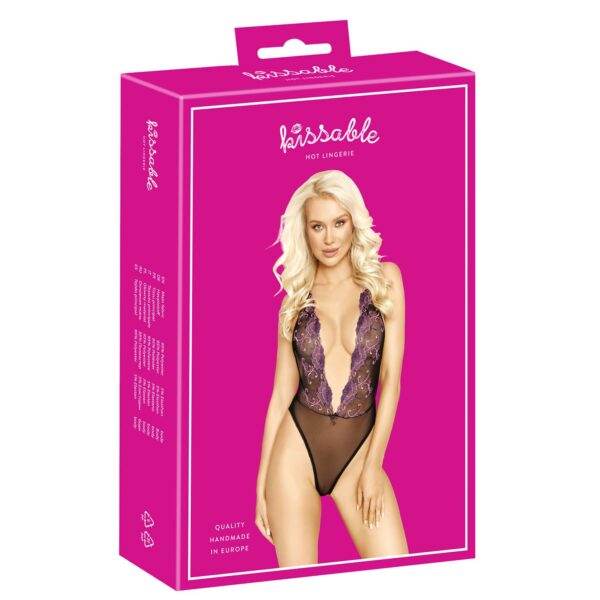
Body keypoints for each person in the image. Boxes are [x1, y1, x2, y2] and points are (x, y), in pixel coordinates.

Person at [255, 170, 408, 566]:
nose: (329, 238)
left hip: (359, 452)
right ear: (304, 231)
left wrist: (373, 466)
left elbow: (390, 381)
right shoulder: (295, 300)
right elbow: (280, 395)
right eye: (317, 226)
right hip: (295, 452)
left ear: (353, 221)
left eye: (339, 223)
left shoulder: (385, 280)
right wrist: (260, 484)